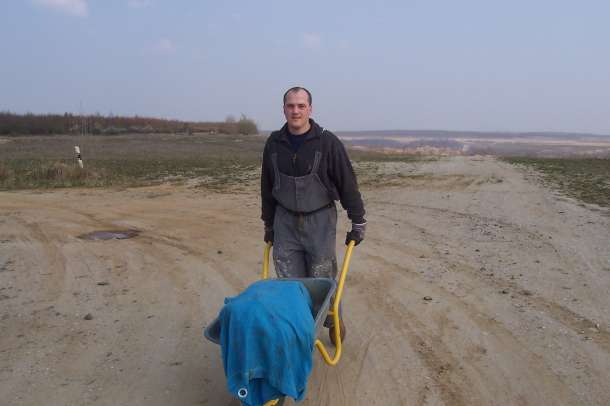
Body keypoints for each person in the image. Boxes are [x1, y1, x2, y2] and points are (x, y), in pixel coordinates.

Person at [260, 86, 366, 345]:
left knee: (322, 277)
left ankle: (332, 319)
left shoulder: (328, 142)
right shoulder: (274, 143)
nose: (295, 111)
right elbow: (267, 186)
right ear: (283, 109)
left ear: (310, 109)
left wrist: (358, 220)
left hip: (320, 221)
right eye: (290, 106)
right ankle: (298, 329)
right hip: (284, 222)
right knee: (288, 282)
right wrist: (268, 223)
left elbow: (347, 183)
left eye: (301, 106)